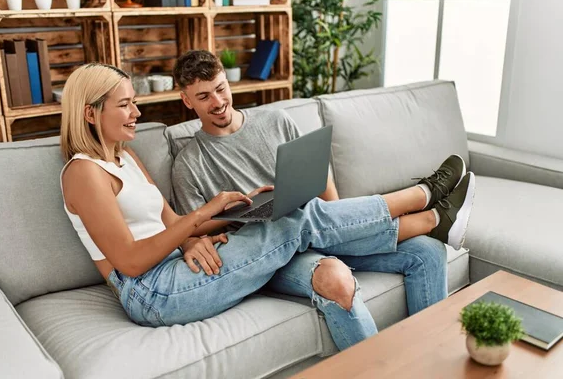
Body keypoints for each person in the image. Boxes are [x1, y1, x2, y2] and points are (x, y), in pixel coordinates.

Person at [60, 62, 475, 354]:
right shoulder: (82, 173)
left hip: (177, 266)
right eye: (125, 105)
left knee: (289, 210)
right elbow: (130, 261)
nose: (137, 112)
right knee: (292, 214)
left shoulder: (124, 159)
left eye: (134, 102)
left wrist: (194, 236)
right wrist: (204, 214)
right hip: (152, 292)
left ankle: (429, 226)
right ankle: (424, 205)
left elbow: (170, 225)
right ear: (90, 113)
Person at [170, 50, 476, 349]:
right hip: (274, 254)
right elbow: (193, 229)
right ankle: (427, 205)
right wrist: (217, 220)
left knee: (428, 252)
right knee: (335, 278)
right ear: (186, 100)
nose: (219, 102)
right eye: (204, 96)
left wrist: (341, 222)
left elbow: (317, 176)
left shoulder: (275, 121)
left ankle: (432, 361)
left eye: (221, 89)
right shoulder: (189, 164)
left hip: (321, 226)